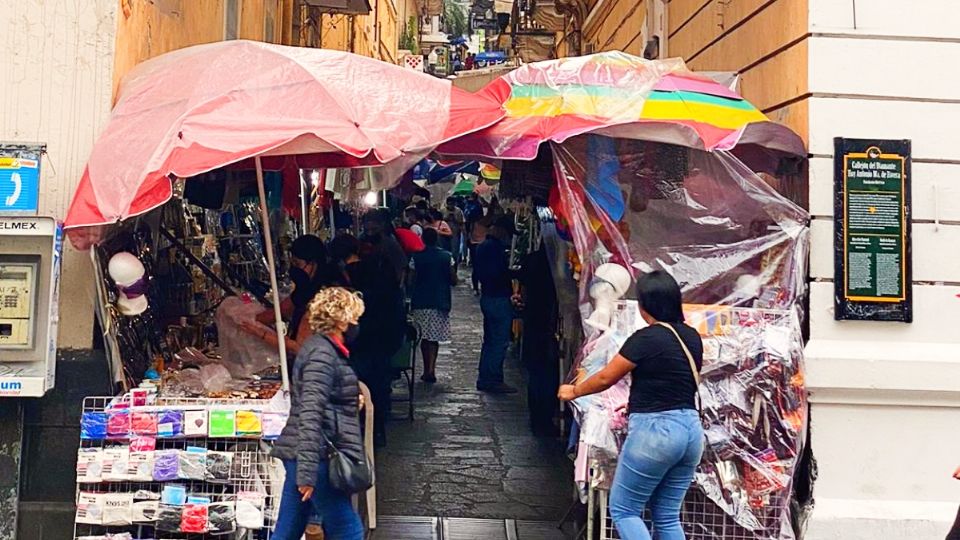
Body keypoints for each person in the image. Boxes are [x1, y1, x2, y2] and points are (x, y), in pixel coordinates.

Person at [558, 271, 704, 540]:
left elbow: (605, 376)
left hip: (656, 431)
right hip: (692, 432)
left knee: (624, 509)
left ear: (645, 304)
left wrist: (574, 390)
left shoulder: (646, 338)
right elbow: (671, 378)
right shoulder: (692, 337)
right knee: (667, 516)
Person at [271, 287, 366, 540]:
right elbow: (311, 413)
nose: (356, 324)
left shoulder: (319, 350)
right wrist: (307, 473)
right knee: (348, 528)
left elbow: (319, 402)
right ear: (341, 320)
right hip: (319, 455)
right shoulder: (322, 355)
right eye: (354, 318)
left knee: (288, 529)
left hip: (304, 453)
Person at [330, 233, 405, 447]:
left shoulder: (353, 275)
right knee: (377, 385)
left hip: (363, 339)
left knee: (361, 384)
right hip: (384, 336)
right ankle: (376, 429)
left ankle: (361, 431)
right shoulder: (380, 269)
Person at [241, 235, 331, 365]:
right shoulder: (304, 290)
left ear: (313, 264)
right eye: (292, 263)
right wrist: (244, 316)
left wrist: (261, 334)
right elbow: (279, 311)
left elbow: (299, 347)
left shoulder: (323, 296)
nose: (294, 269)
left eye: (297, 264)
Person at [473, 215, 520, 394]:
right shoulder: (494, 248)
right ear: (500, 230)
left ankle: (485, 378)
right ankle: (493, 379)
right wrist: (511, 274)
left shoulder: (485, 246)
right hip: (497, 298)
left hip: (489, 297)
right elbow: (496, 274)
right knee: (499, 341)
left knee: (490, 340)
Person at [409, 228, 457, 383]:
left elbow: (411, 279)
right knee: (434, 338)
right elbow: (453, 279)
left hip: (421, 301)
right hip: (439, 301)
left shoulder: (416, 257)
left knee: (424, 337)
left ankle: (426, 369)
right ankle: (431, 369)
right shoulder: (446, 256)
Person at [444, 197, 466, 267]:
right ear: (447, 204)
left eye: (452, 204)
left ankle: (454, 268)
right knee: (445, 252)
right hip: (444, 235)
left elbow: (462, 222)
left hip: (455, 234)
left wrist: (455, 219)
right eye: (449, 204)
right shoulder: (442, 211)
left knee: (454, 253)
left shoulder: (458, 211)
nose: (451, 206)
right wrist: (446, 218)